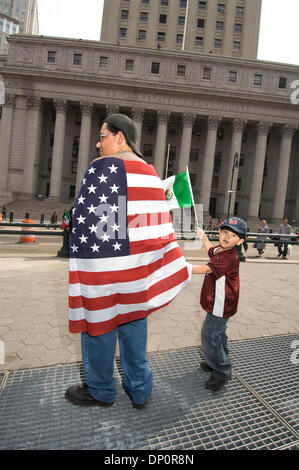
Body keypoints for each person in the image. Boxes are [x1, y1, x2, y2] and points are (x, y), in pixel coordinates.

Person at [65, 113, 191, 408]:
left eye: (103, 136)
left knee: (98, 329)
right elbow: (157, 230)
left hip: (106, 275)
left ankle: (101, 390)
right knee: (135, 330)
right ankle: (140, 390)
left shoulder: (102, 168)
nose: (98, 144)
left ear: (119, 136)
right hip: (137, 277)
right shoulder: (149, 173)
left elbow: (93, 228)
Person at [192, 217, 247, 391]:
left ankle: (221, 371)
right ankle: (214, 360)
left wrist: (182, 267)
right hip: (220, 303)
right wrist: (203, 237)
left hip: (220, 305)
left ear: (240, 241)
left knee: (210, 336)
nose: (226, 237)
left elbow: (207, 268)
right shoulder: (220, 250)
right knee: (218, 335)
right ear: (219, 233)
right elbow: (211, 251)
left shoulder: (229, 257)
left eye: (232, 235)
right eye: (224, 232)